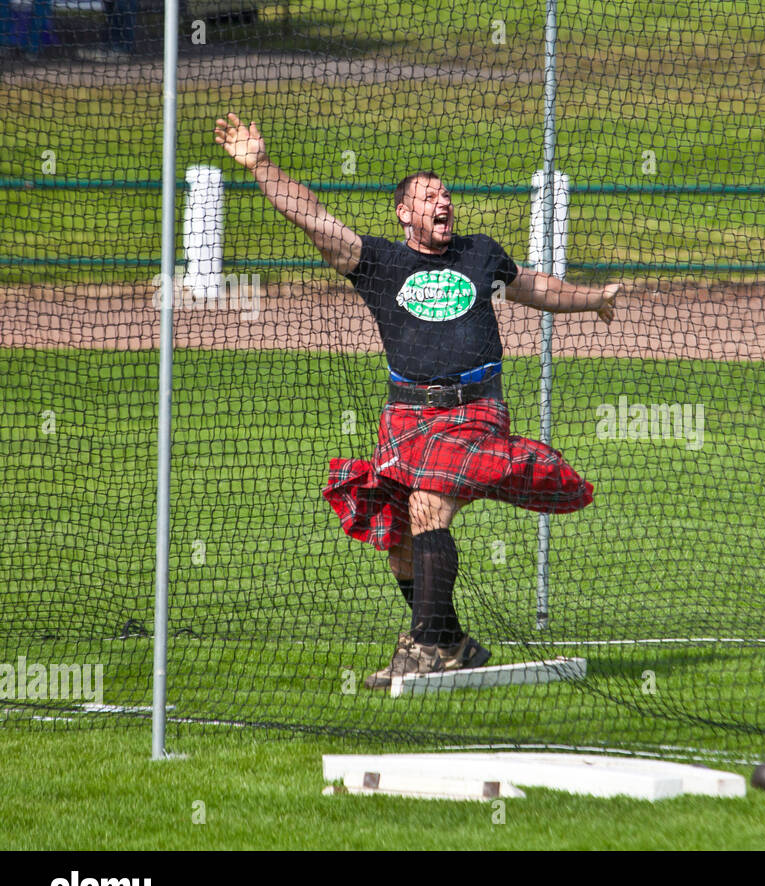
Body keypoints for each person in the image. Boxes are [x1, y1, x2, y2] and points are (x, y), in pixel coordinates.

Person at [214, 113, 619, 688]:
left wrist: (592, 297)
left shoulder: (480, 255)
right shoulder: (381, 263)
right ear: (404, 212)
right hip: (406, 414)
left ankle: (426, 645)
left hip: (474, 409)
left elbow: (533, 286)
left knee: (430, 505)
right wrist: (259, 164)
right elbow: (314, 220)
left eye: (447, 194)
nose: (443, 201)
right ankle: (451, 639)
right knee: (401, 538)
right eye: (429, 195)